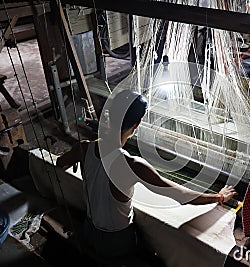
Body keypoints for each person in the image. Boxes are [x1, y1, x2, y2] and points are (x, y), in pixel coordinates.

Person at [56, 90, 236, 263]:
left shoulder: (84, 148)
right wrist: (219, 197)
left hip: (90, 231)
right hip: (115, 243)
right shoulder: (132, 166)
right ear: (136, 125)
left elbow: (60, 162)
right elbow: (181, 195)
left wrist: (80, 160)